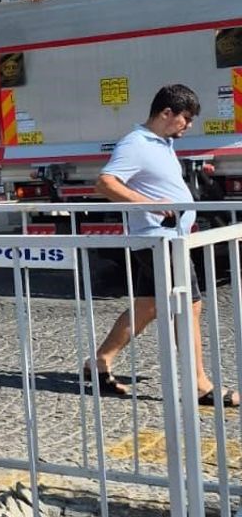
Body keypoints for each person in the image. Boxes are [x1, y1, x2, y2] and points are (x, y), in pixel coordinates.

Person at [87, 85, 239, 407]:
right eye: (186, 118)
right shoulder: (136, 143)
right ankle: (200, 385)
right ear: (166, 113)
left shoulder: (162, 143)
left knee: (148, 306)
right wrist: (149, 204)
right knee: (190, 306)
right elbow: (106, 182)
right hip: (159, 240)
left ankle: (100, 361)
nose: (189, 125)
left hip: (164, 239)